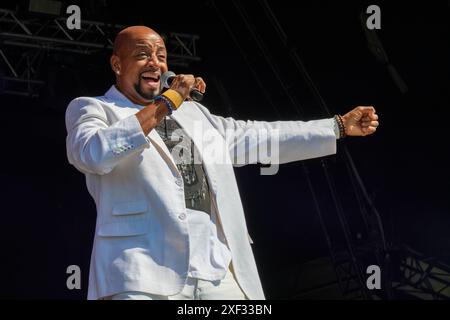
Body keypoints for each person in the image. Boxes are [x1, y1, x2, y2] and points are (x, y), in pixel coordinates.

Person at [65, 26, 379, 300]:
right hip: (141, 272)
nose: (155, 63)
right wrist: (167, 103)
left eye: (161, 55)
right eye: (143, 54)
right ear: (117, 64)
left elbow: (260, 136)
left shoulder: (193, 114)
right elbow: (94, 154)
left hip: (217, 269)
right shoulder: (94, 109)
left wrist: (335, 127)